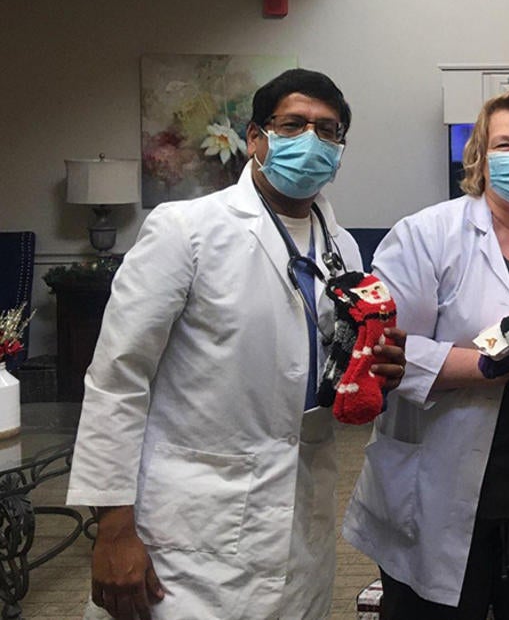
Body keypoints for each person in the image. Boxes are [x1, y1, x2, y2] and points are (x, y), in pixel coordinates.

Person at [66, 68, 407, 620]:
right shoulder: (185, 229)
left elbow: (316, 350)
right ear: (255, 138)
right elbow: (117, 379)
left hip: (302, 508)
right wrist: (113, 529)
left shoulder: (340, 244)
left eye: (328, 131)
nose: (312, 141)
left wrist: (369, 363)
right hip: (192, 524)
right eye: (294, 125)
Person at [342, 89, 509, 620]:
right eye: (504, 144)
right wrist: (489, 361)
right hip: (442, 487)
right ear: (480, 160)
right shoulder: (426, 235)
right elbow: (388, 349)